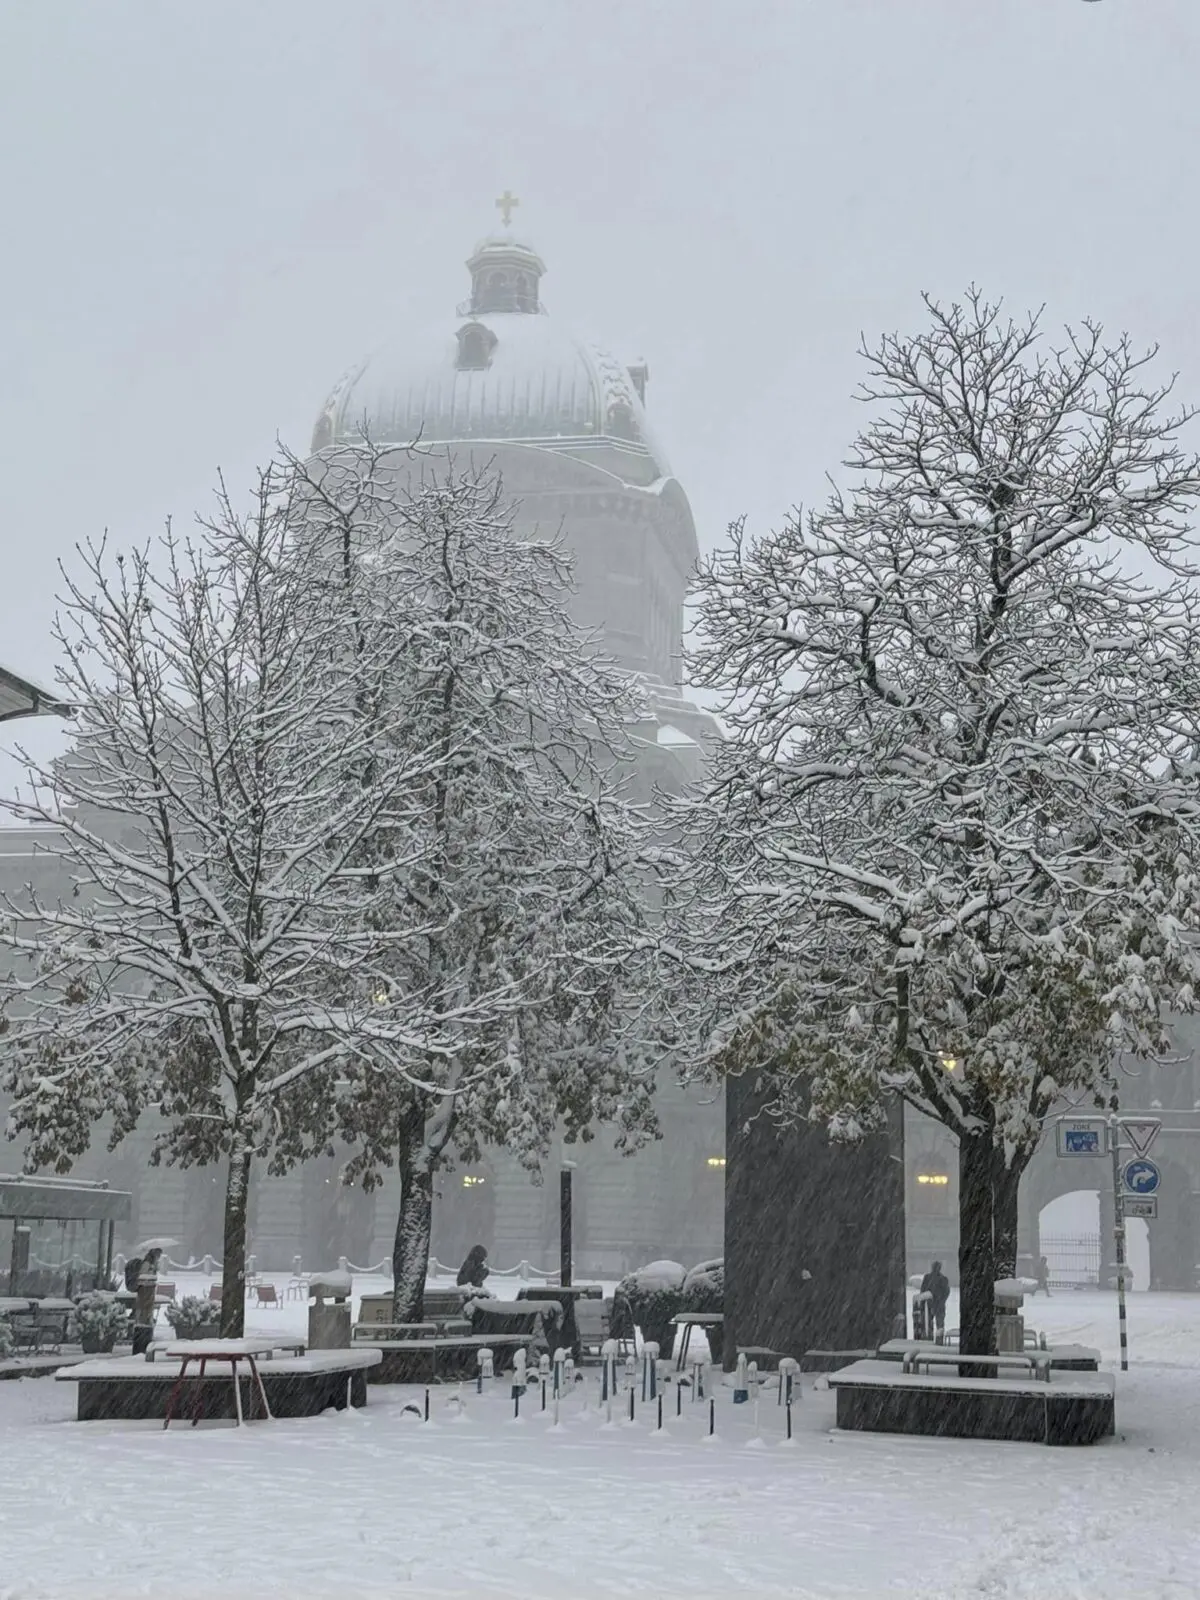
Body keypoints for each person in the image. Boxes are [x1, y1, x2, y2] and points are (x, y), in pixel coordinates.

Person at [920, 1260, 951, 1340]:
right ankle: (933, 1339)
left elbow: (923, 1291)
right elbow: (923, 1291)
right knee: (932, 1324)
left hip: (935, 1304)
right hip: (931, 1304)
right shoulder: (929, 1278)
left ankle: (935, 1339)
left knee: (936, 1324)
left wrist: (941, 1301)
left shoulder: (940, 1279)